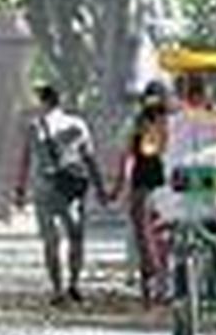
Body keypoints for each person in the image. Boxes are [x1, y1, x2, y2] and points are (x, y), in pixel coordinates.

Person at [12, 83, 107, 305]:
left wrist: (19, 191)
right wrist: (101, 189)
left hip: (44, 187)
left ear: (42, 101)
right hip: (71, 188)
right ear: (60, 101)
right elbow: (89, 159)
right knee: (76, 237)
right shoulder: (78, 125)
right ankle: (74, 283)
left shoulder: (34, 126)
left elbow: (25, 161)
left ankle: (57, 289)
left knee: (51, 241)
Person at [112, 81, 171, 306]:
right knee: (160, 237)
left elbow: (125, 158)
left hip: (144, 186)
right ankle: (159, 285)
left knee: (145, 238)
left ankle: (152, 286)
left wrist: (117, 190)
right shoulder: (172, 122)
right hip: (163, 185)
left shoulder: (136, 124)